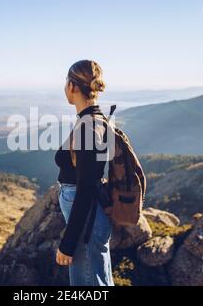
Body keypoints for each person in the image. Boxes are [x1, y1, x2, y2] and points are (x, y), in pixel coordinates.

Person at [54, 60, 114, 286]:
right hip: (90, 222)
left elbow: (86, 188)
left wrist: (68, 243)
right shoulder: (95, 120)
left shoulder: (88, 127)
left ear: (72, 86)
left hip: (86, 226)